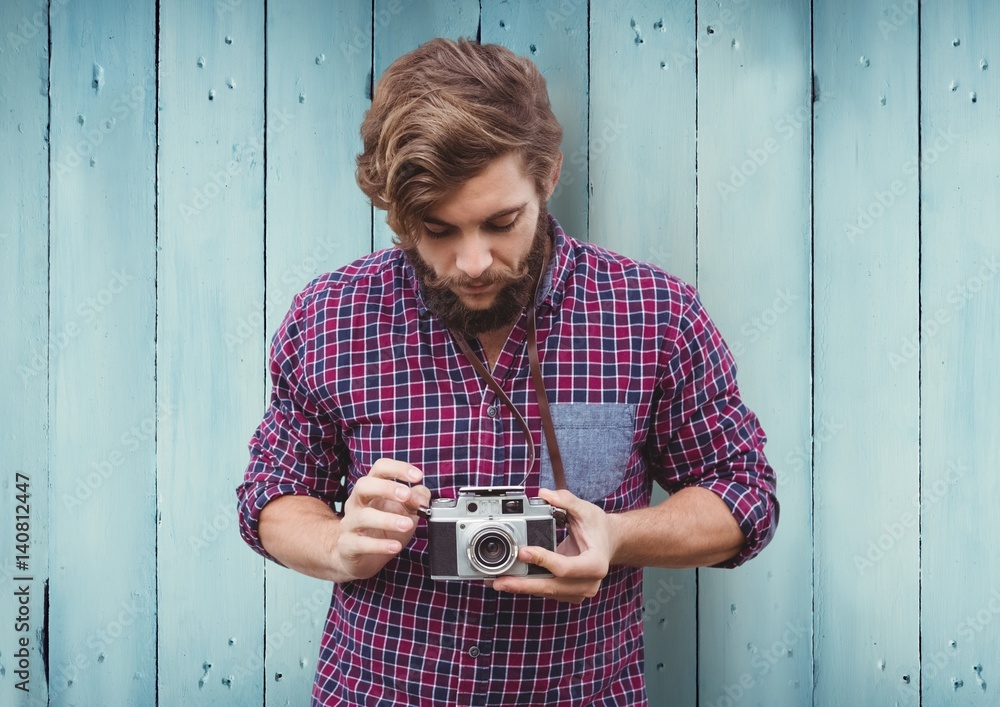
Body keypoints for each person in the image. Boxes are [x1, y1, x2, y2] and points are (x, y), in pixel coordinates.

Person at [237, 37, 778, 707]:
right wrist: (335, 543)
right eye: (436, 229)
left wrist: (616, 535)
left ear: (547, 176)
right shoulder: (330, 316)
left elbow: (743, 494)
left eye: (501, 222)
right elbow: (271, 495)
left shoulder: (654, 314)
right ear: (397, 213)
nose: (471, 261)